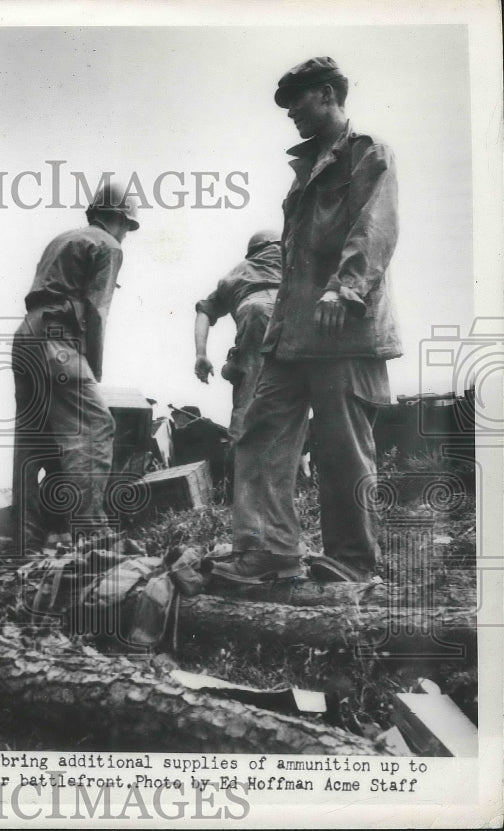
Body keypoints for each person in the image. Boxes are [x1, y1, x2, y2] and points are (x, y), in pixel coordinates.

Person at [214, 57, 401, 584]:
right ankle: (269, 553)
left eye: (297, 99)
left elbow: (375, 224)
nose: (291, 112)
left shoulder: (368, 152)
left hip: (345, 326)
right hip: (290, 334)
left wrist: (348, 287)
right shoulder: (303, 171)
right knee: (259, 430)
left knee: (341, 451)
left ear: (325, 94)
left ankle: (352, 564)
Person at [11, 183, 139, 556]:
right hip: (58, 340)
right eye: (126, 228)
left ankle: (27, 541)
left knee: (33, 440)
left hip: (26, 337)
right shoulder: (108, 246)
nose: (125, 236)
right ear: (118, 219)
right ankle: (92, 532)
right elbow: (98, 312)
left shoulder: (63, 239)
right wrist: (93, 369)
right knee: (95, 426)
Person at [193, 231, 282, 444]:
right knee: (294, 394)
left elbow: (204, 311)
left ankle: (239, 464)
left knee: (249, 393)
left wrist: (201, 354)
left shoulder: (237, 272)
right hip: (293, 313)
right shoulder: (293, 258)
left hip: (256, 317)